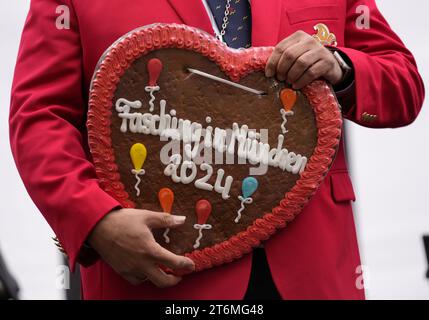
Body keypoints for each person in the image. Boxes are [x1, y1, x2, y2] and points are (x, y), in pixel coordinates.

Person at [9, 0, 424, 300]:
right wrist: (96, 221)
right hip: (158, 272)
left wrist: (342, 68)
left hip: (313, 271)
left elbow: (403, 83)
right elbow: (40, 116)